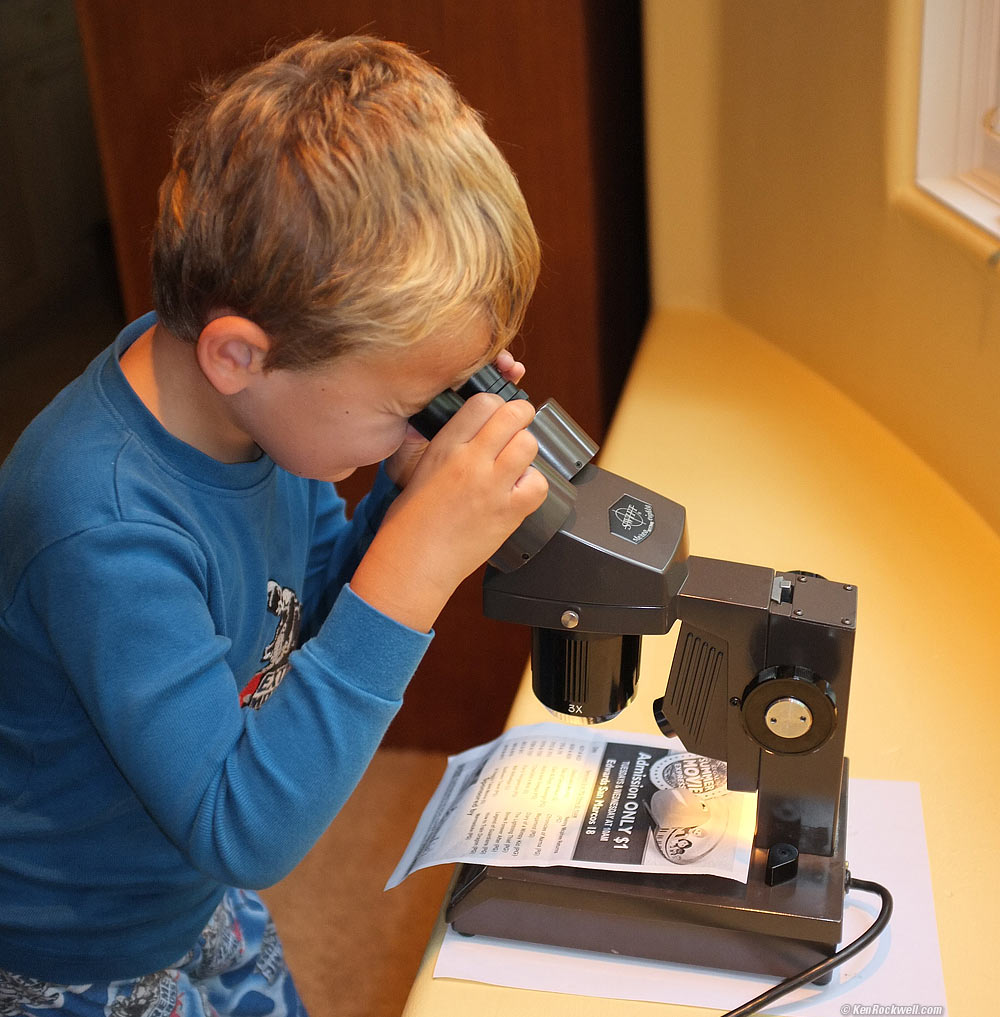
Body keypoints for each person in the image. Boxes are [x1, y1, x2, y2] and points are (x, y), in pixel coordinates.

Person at [0, 34, 547, 1015]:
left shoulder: (259, 424)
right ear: (238, 355)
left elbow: (299, 613)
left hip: (188, 894)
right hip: (78, 955)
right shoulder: (103, 525)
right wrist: (418, 565)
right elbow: (242, 825)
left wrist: (397, 500)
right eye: (402, 407)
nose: (414, 426)